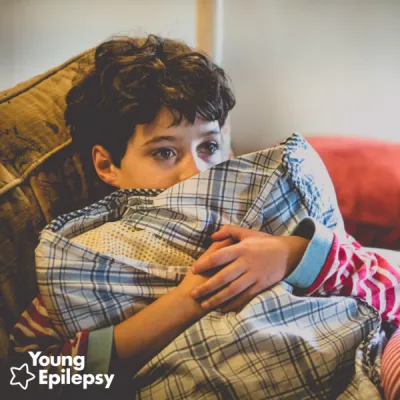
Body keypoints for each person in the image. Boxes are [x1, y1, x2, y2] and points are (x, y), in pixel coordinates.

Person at [10, 35, 400, 399]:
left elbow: (390, 294)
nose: (197, 171)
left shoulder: (264, 207)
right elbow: (25, 380)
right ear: (107, 163)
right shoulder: (81, 261)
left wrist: (293, 254)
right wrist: (186, 301)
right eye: (164, 152)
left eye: (210, 146)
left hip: (360, 363)